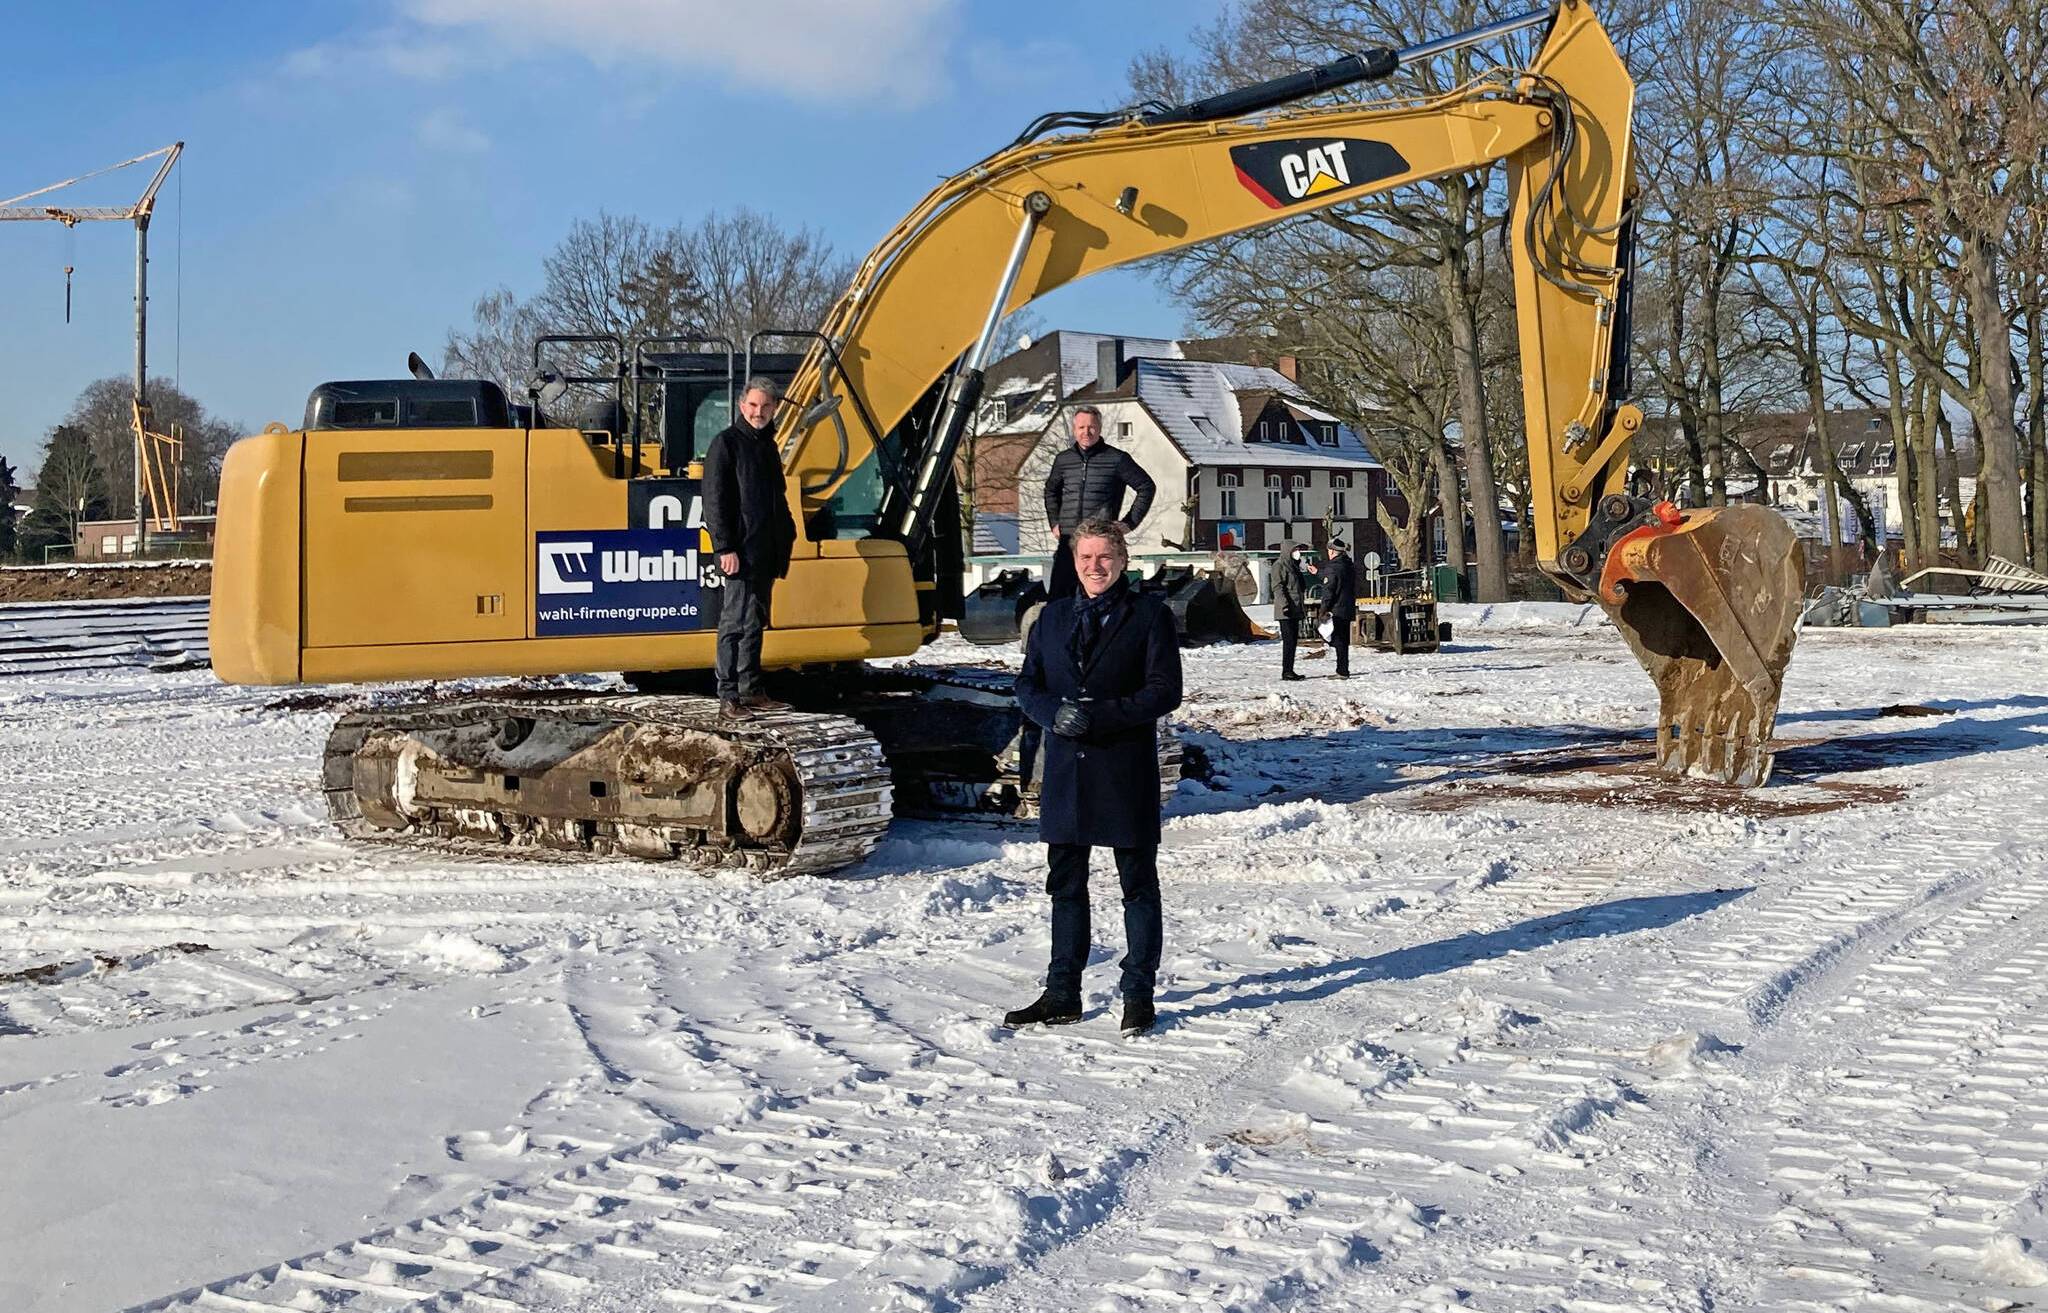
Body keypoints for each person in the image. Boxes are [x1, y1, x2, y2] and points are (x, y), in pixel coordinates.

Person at [1008, 519, 1183, 1036]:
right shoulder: (1053, 616)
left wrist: (1100, 716)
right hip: (1067, 772)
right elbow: (1027, 684)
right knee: (1065, 886)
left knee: (1137, 886)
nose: (1094, 566)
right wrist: (1051, 713)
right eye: (1085, 557)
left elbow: (1164, 690)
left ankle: (1138, 995)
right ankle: (1062, 993)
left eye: (1104, 556)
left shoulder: (1149, 616)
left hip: (1123, 769)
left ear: (1123, 560)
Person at [703, 378, 799, 721]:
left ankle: (751, 689)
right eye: (753, 405)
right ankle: (729, 696)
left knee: (755, 621)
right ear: (742, 406)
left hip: (765, 549)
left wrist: (787, 531)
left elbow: (776, 496)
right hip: (740, 551)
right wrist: (725, 547)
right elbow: (715, 500)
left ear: (774, 409)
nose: (759, 412)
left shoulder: (767, 446)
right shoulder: (726, 443)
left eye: (766, 406)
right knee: (734, 622)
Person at [1042, 406, 1156, 601]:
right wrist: (1054, 522)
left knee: (1101, 598)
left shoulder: (1117, 459)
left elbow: (1146, 487)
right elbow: (1050, 490)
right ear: (1074, 429)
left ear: (1100, 428)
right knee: (1060, 601)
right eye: (1081, 427)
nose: (1086, 432)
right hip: (1068, 541)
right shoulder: (1063, 460)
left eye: (1091, 427)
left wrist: (1129, 523)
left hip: (1100, 542)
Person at [1309, 538, 1357, 678]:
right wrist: (1318, 572)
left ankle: (1342, 671)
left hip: (1336, 609)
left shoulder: (1333, 567)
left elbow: (1329, 590)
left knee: (1334, 638)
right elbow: (1334, 579)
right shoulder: (1348, 565)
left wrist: (1323, 610)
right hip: (1347, 607)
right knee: (1343, 641)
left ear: (1331, 551)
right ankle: (1343, 669)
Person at [1274, 542, 1309, 681]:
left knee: (1293, 641)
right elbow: (1278, 587)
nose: (1298, 552)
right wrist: (1284, 605)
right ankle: (1287, 671)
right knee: (1288, 641)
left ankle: (1290, 669)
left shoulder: (1293, 565)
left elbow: (1301, 586)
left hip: (1295, 608)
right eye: (1295, 549)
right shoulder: (1279, 565)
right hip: (1286, 610)